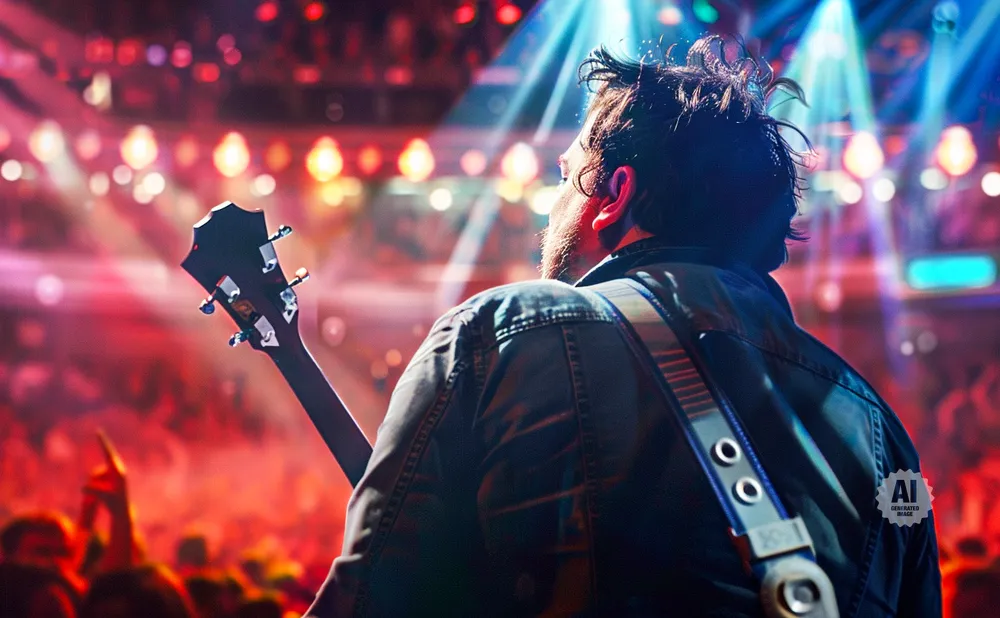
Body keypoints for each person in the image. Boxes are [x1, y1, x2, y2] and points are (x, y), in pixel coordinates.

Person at [305, 36, 942, 616]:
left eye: (562, 180)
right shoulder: (883, 435)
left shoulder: (498, 336)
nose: (551, 211)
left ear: (613, 196)